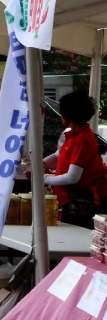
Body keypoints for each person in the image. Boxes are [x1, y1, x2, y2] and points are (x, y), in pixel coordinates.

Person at [41, 91, 107, 227]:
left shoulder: (83, 139)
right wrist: (39, 164)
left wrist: (42, 178)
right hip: (67, 201)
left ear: (67, 115)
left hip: (77, 204)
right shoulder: (74, 136)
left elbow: (72, 177)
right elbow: (57, 156)